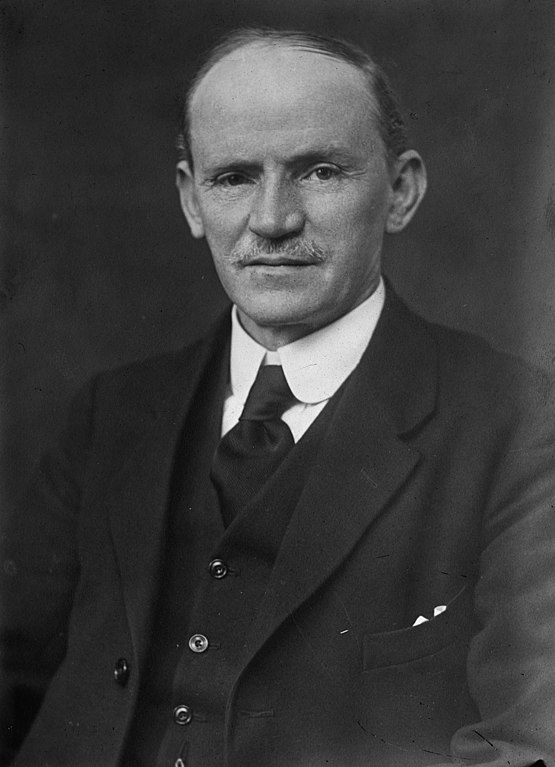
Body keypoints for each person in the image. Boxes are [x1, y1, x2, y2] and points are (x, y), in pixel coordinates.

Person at [1, 26, 554, 767]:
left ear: (401, 191)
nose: (271, 219)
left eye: (319, 171)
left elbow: (528, 743)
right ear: (190, 200)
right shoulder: (113, 414)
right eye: (233, 178)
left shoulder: (517, 425)